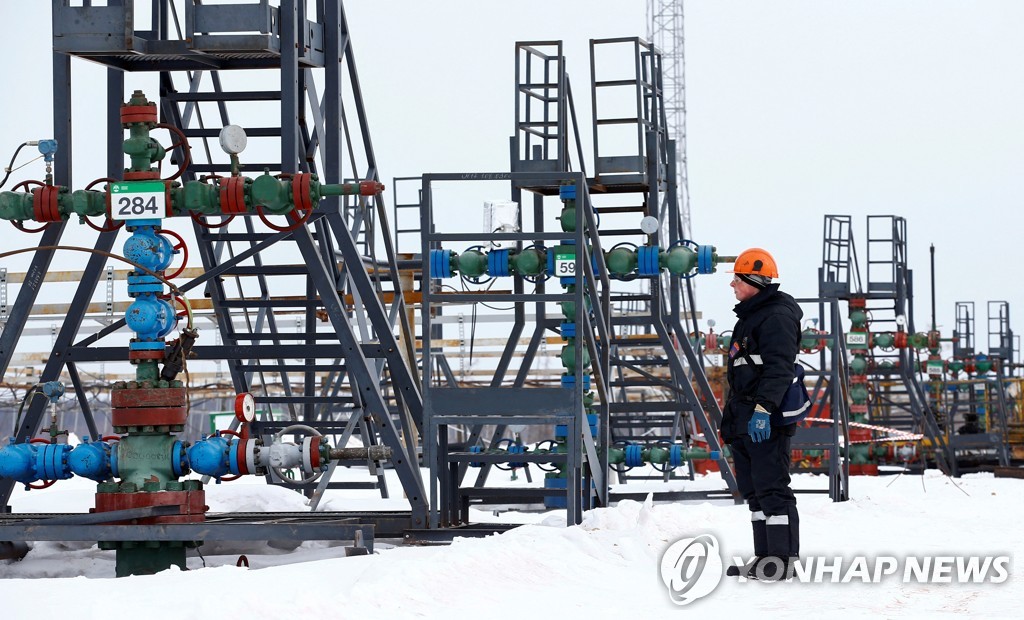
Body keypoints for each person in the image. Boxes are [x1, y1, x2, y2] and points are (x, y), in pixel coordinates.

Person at [721, 248, 803, 581]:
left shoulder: (777, 316)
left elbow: (779, 369)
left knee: (772, 488)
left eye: (737, 280)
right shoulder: (750, 316)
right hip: (745, 419)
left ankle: (782, 560)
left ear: (753, 280)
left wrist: (762, 409)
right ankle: (764, 558)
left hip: (764, 418)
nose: (733, 286)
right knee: (754, 491)